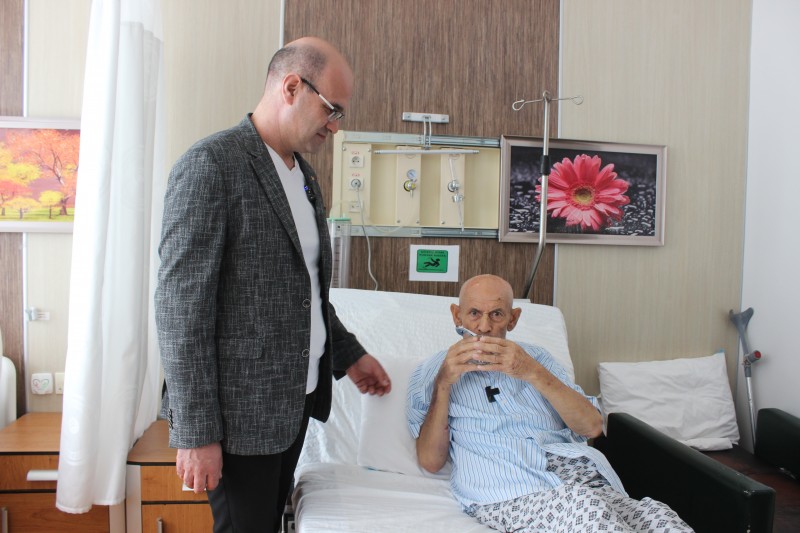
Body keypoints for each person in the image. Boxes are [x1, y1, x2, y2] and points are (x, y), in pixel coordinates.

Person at [155, 36, 391, 533]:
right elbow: (181, 313)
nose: (335, 125)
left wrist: (350, 355)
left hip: (293, 404)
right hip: (238, 417)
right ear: (291, 87)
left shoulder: (303, 176)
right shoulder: (212, 166)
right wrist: (196, 433)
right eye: (331, 109)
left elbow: (304, 292)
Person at [406, 274, 692, 532]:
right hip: (508, 491)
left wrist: (530, 371)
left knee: (658, 516)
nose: (484, 327)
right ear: (456, 316)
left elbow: (592, 426)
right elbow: (430, 461)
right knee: (586, 510)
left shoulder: (538, 359)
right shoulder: (433, 371)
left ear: (513, 319)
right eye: (474, 314)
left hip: (583, 481)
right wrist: (443, 384)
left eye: (496, 314)